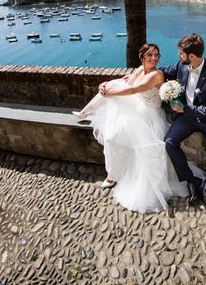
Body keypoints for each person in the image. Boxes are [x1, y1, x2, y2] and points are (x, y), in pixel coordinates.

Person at [74, 43, 192, 213]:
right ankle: (86, 113)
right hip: (137, 106)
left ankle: (113, 174)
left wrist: (111, 93)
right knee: (111, 91)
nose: (154, 58)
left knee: (113, 136)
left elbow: (134, 89)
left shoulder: (157, 75)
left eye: (156, 55)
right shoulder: (139, 69)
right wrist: (106, 84)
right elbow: (126, 80)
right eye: (150, 55)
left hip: (148, 114)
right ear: (142, 57)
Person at [161, 33, 206, 218]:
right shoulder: (182, 66)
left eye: (181, 53)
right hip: (188, 117)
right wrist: (144, 72)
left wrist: (185, 110)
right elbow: (166, 71)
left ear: (192, 56)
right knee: (169, 142)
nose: (178, 56)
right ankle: (190, 181)